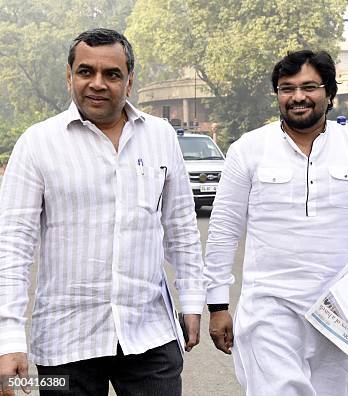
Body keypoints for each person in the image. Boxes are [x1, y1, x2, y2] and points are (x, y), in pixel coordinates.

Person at [0, 29, 206, 395]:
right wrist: (9, 337)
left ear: (129, 83)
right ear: (69, 76)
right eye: (85, 72)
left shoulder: (160, 136)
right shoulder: (37, 143)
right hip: (64, 341)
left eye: (112, 74)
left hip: (149, 335)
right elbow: (12, 246)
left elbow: (181, 226)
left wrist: (191, 299)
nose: (97, 84)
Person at [204, 50, 348, 395]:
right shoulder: (249, 149)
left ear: (329, 93)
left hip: (340, 312)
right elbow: (224, 229)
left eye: (309, 87)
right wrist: (217, 305)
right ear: (278, 95)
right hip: (270, 310)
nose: (298, 97)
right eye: (287, 88)